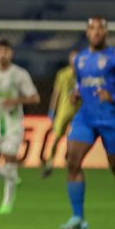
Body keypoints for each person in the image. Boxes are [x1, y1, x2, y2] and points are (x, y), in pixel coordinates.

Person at [60, 17, 115, 229]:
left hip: (111, 119)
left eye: (100, 28)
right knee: (72, 161)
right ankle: (78, 218)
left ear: (106, 33)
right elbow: (82, 82)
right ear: (87, 33)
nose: (96, 32)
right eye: (92, 28)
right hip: (85, 117)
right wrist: (76, 92)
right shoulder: (79, 59)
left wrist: (113, 96)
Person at [0, 39, 40, 214]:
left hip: (13, 124)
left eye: (6, 50)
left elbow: (35, 98)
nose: (2, 53)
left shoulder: (20, 74)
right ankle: (12, 179)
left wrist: (16, 100)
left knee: (9, 157)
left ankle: (7, 202)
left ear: (11, 54)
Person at [40, 50, 80, 178]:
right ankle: (50, 162)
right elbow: (56, 94)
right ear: (70, 60)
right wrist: (52, 110)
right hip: (63, 112)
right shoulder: (62, 74)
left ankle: (72, 162)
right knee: (57, 138)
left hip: (79, 113)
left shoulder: (85, 75)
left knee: (74, 138)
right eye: (73, 59)